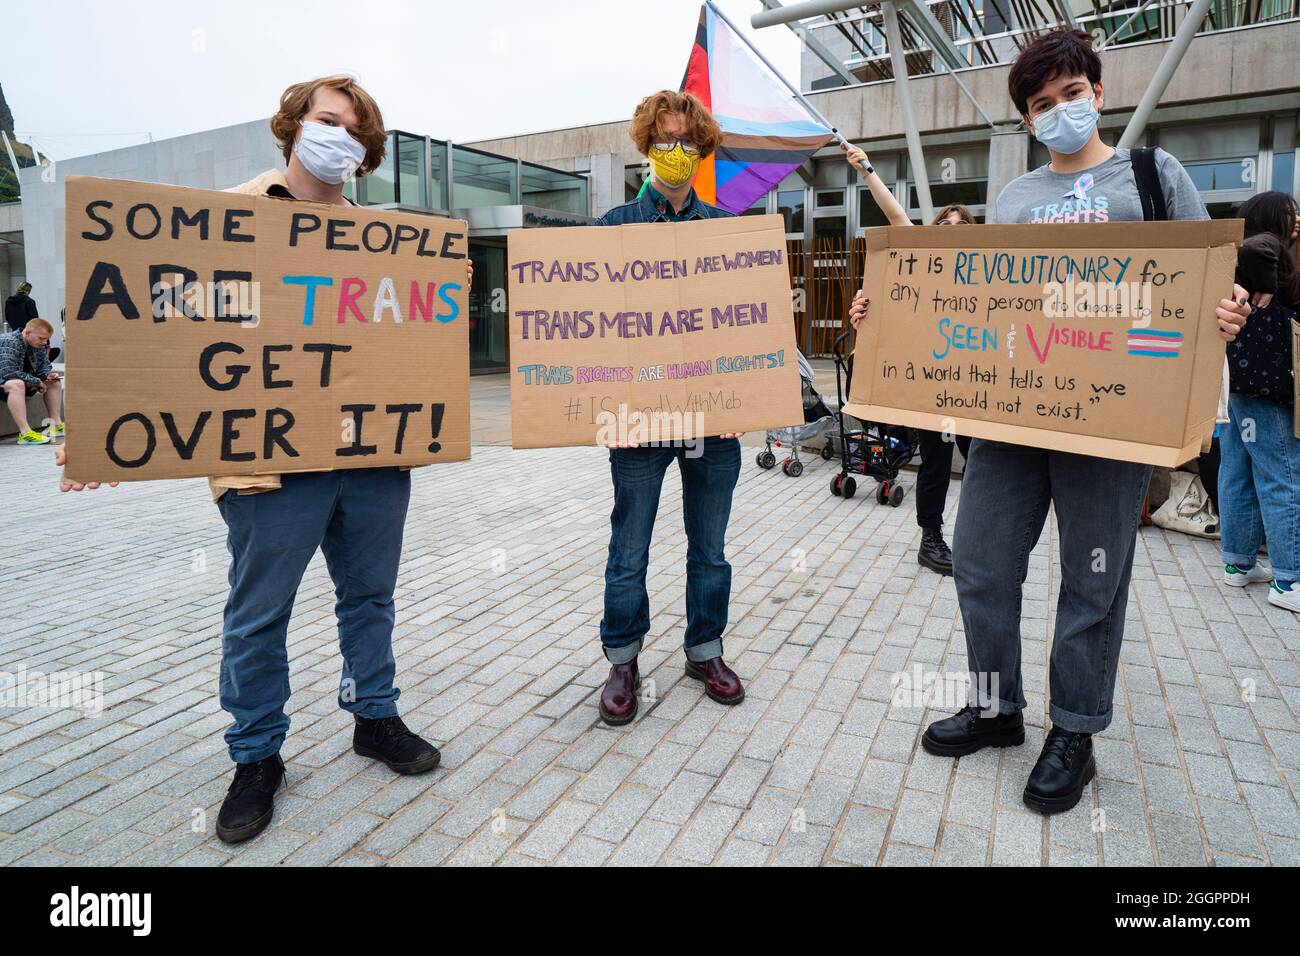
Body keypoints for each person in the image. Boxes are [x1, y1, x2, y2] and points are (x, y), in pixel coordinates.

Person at [58, 74, 473, 846]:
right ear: (292, 127)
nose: (338, 138)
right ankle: (256, 758)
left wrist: (445, 290)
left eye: (354, 131)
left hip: (371, 456)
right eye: (326, 121)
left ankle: (373, 718)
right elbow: (162, 328)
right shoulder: (226, 218)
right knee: (259, 617)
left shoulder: (382, 240)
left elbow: (406, 345)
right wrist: (106, 426)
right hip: (269, 461)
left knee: (370, 599)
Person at [917, 29, 1251, 815]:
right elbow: (983, 299)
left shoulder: (1153, 174)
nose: (1059, 110)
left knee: (1092, 578)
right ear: (1027, 120)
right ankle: (997, 709)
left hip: (1111, 418)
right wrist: (892, 317)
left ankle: (1075, 731)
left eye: (1071, 94)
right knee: (982, 561)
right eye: (1040, 104)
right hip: (1013, 413)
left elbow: (1207, 275)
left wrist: (1228, 311)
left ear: (1097, 93)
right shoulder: (1014, 199)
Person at [592, 90, 747, 726]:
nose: (674, 153)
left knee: (709, 547)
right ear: (646, 148)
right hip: (638, 421)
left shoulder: (726, 232)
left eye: (685, 143)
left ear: (701, 149)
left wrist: (746, 392)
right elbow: (589, 326)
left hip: (713, 419)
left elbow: (749, 326)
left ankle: (704, 650)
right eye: (663, 142)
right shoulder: (613, 228)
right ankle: (623, 658)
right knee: (629, 546)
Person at [844, 143, 974, 574]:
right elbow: (898, 220)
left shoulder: (988, 278)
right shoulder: (923, 268)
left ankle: (981, 539)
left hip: (979, 385)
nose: (953, 229)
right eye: (945, 223)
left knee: (984, 467)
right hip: (934, 385)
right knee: (936, 463)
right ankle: (931, 539)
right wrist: (866, 170)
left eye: (962, 225)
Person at [1219, 190, 1300, 611]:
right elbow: (1259, 245)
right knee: (1283, 475)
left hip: (1233, 387)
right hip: (1266, 390)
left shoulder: (1233, 267)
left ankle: (1238, 563)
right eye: (1291, 215)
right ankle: (1289, 580)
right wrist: (1269, 282)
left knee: (1238, 471)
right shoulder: (1265, 255)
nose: (1296, 221)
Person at [1, 318, 63, 444]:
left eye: (47, 339)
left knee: (54, 381)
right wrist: (36, 381)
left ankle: (56, 425)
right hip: (6, 380)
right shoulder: (9, 341)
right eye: (41, 338)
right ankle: (25, 434)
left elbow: (44, 366)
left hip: (23, 380)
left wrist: (47, 375)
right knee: (16, 384)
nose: (45, 342)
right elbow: (8, 373)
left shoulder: (37, 344)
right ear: (27, 333)